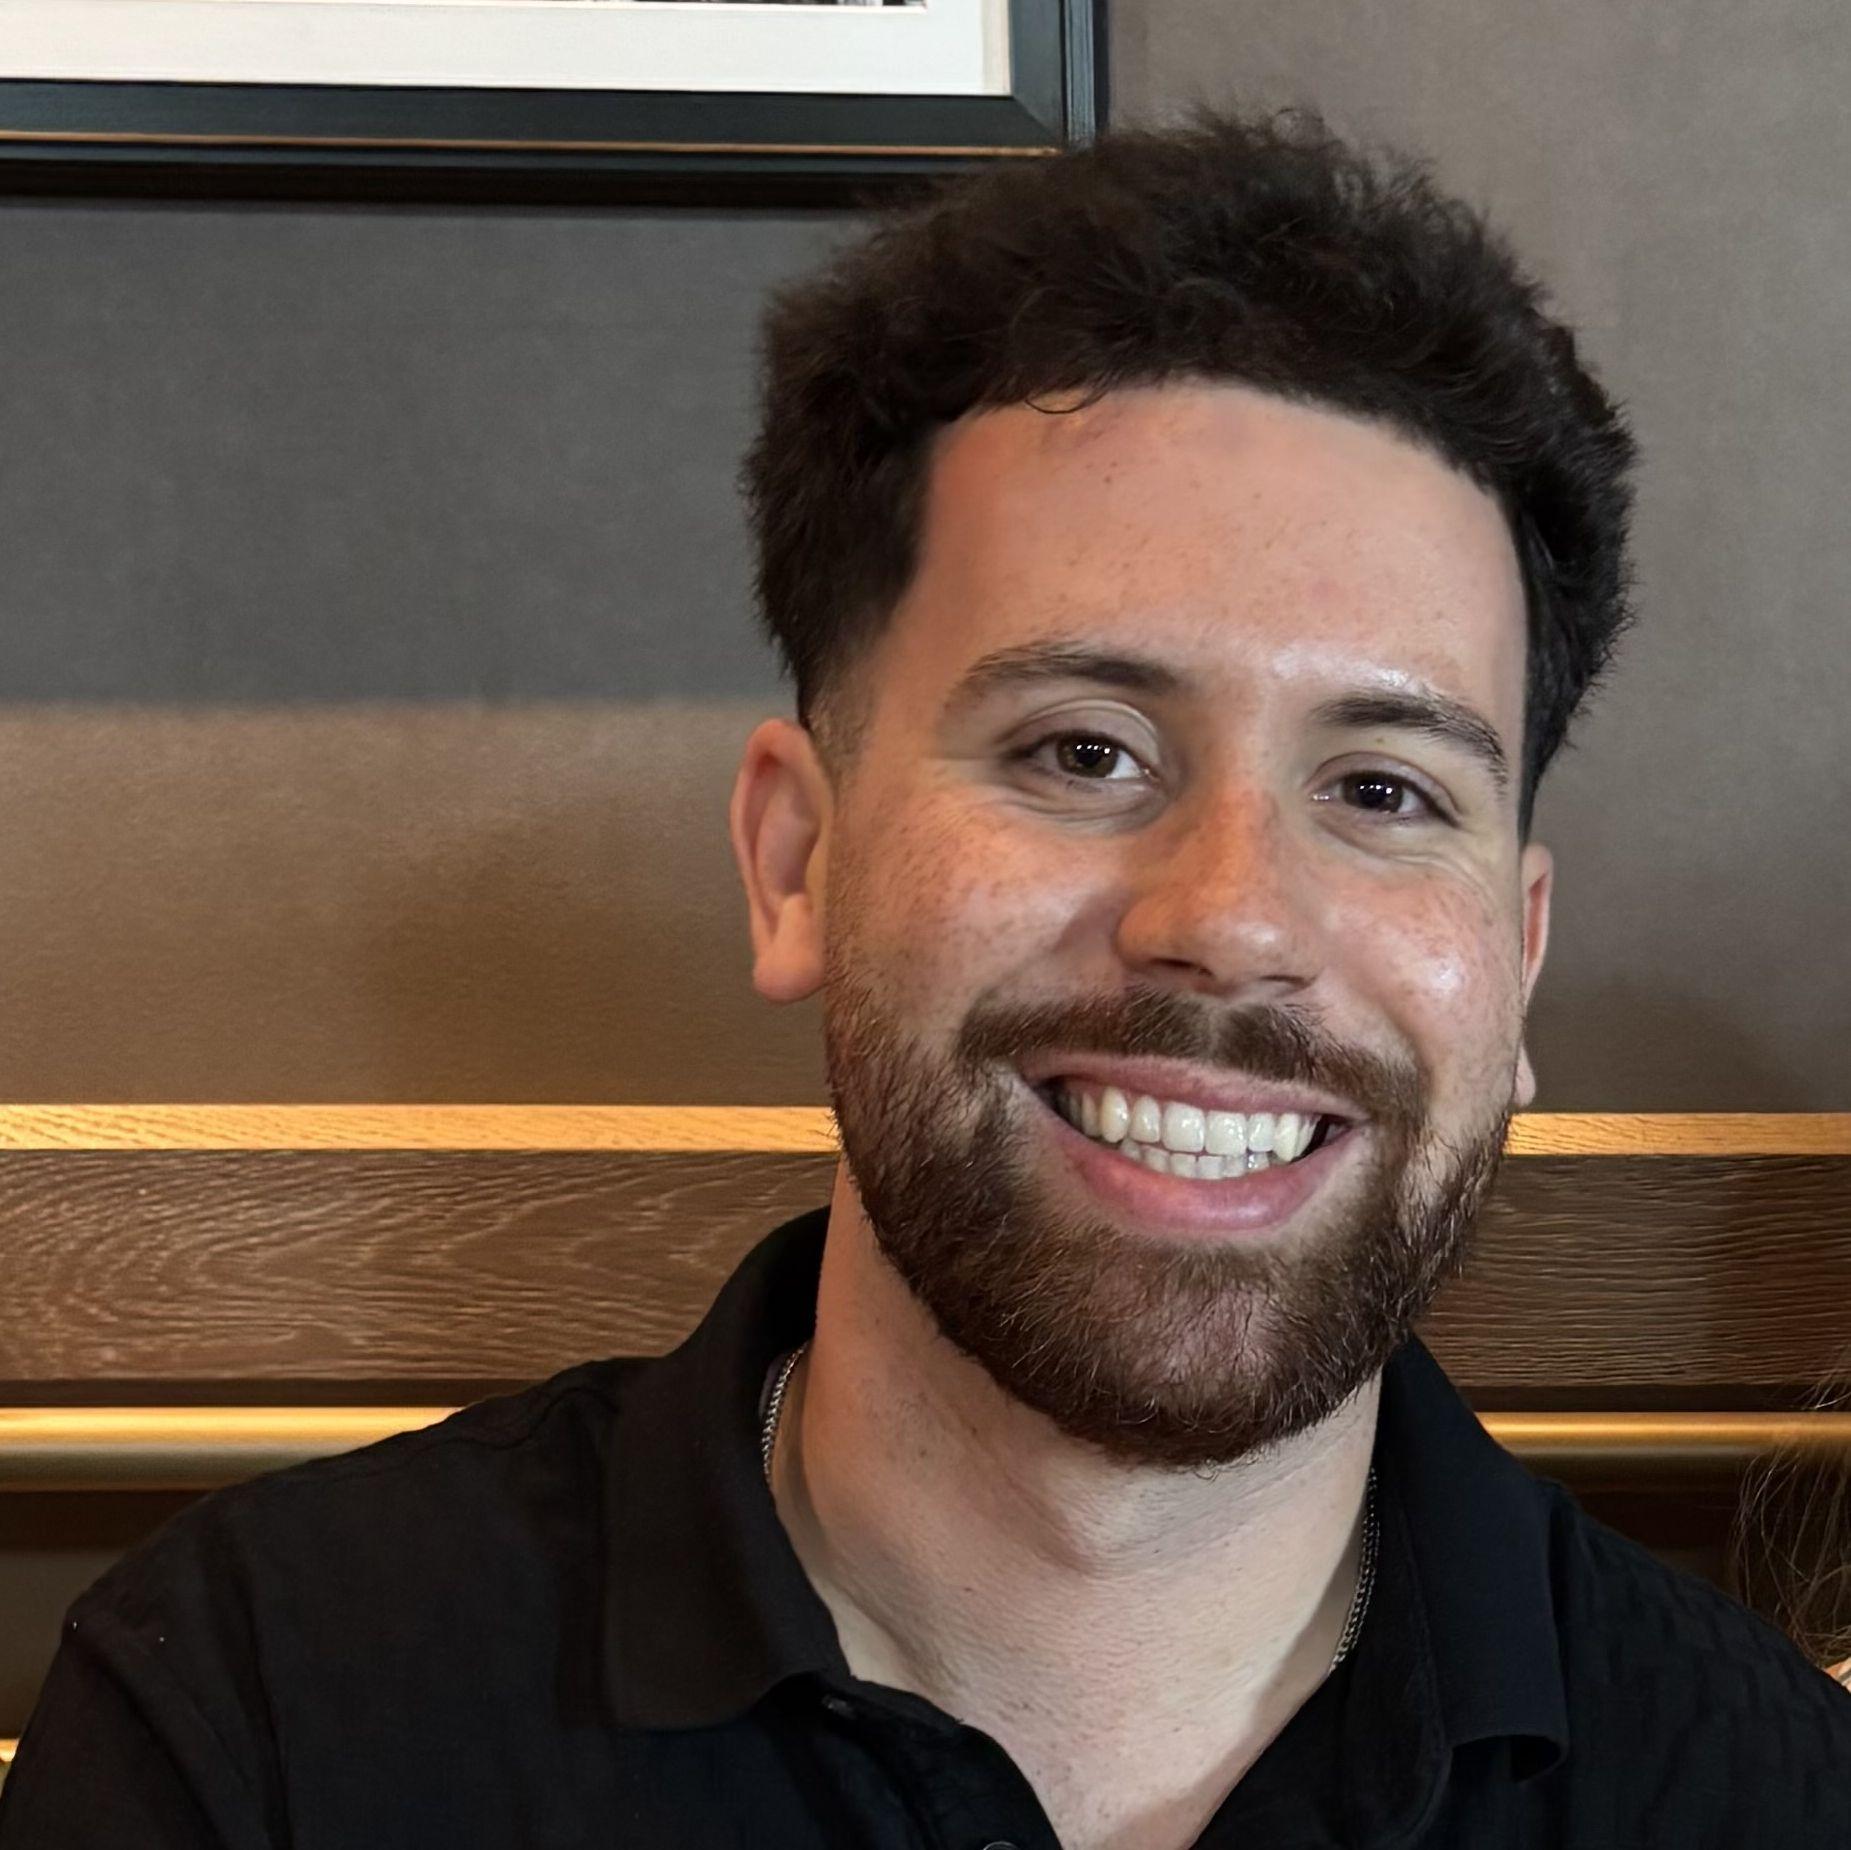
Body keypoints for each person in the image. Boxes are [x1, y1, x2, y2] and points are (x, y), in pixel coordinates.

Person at [3, 110, 1847, 1849]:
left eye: (1382, 791)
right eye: (1083, 750)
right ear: (796, 860)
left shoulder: (1769, 1796)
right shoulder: (264, 1726)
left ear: (1515, 959)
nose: (1232, 917)